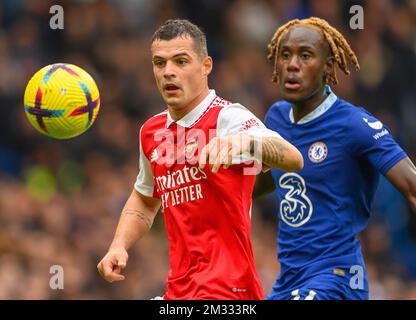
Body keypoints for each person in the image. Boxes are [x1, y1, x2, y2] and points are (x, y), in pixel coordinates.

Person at [97, 19, 303, 300]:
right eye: (160, 63)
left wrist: (245, 141)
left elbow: (293, 158)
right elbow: (145, 198)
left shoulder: (228, 118)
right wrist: (119, 245)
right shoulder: (151, 131)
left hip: (229, 292)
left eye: (181, 62)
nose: (168, 72)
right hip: (179, 291)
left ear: (206, 66)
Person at [254, 17, 416, 300]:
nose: (292, 65)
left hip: (338, 279)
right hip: (288, 282)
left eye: (305, 55)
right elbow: (268, 182)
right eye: (285, 55)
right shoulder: (275, 118)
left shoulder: (355, 125)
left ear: (328, 66)